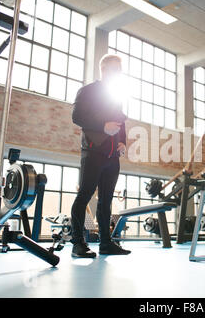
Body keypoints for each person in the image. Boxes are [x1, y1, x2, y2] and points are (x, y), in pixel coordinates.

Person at [70, 54, 130, 258]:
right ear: (103, 69)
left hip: (113, 157)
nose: (117, 74)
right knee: (84, 196)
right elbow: (77, 116)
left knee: (106, 201)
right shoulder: (87, 91)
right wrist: (103, 126)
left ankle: (106, 243)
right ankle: (77, 244)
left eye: (119, 71)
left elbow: (121, 123)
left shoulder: (116, 95)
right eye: (114, 70)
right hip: (93, 152)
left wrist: (124, 142)